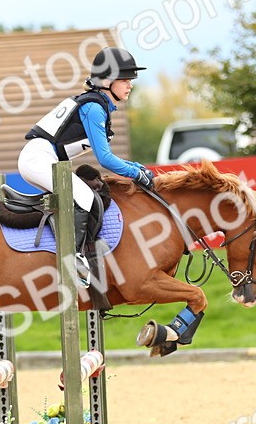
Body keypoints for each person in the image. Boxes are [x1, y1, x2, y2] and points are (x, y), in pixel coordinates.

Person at [19, 46, 155, 286]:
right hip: (38, 159)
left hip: (43, 158)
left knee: (84, 196)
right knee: (85, 198)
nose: (130, 84)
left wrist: (137, 167)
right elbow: (105, 159)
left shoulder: (98, 104)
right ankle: (74, 261)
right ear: (107, 82)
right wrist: (136, 173)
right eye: (125, 79)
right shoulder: (93, 107)